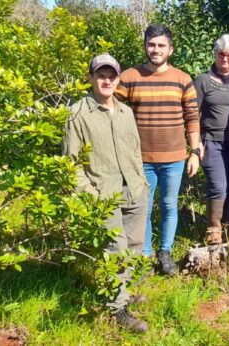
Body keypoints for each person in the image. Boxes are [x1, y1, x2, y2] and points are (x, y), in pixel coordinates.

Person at [63, 53, 150, 333]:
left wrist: (142, 183)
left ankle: (126, 292)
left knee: (135, 245)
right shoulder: (78, 114)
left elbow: (135, 150)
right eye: (101, 75)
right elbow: (71, 164)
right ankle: (118, 310)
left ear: (118, 78)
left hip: (134, 190)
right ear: (90, 78)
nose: (107, 80)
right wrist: (91, 194)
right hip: (104, 195)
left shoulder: (125, 112)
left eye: (111, 75)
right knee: (115, 250)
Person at [115, 24, 201, 276]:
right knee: (143, 208)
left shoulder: (182, 79)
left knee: (169, 205)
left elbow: (192, 118)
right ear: (145, 46)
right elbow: (111, 108)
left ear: (170, 49)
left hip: (174, 158)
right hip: (140, 159)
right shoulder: (130, 77)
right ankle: (144, 256)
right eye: (151, 45)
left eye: (161, 45)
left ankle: (165, 253)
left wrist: (194, 152)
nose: (156, 49)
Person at [194, 34, 229, 244]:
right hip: (211, 141)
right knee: (218, 185)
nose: (225, 60)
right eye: (221, 55)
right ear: (215, 54)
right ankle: (214, 228)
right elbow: (192, 113)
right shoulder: (202, 80)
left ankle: (228, 226)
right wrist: (196, 143)